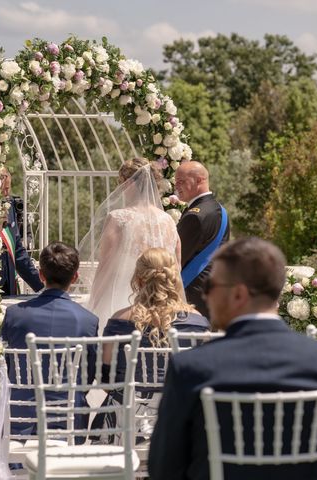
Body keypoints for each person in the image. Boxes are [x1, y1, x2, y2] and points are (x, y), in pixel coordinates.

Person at [148, 237, 317, 480]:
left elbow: (163, 468)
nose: (205, 296)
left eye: (209, 287)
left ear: (238, 294)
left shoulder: (191, 368)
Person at [91, 247, 210, 444]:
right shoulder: (198, 323)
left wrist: (135, 398)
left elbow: (105, 379)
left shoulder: (119, 321)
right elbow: (202, 377)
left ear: (138, 280)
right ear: (174, 279)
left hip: (126, 422)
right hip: (179, 420)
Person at [1, 241, 99, 435]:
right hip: (70, 419)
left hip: (19, 417)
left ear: (41, 275)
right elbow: (88, 376)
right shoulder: (88, 321)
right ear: (75, 277)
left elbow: (5, 366)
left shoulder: (14, 315)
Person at [79, 157, 181, 330]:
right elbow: (176, 266)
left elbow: (105, 266)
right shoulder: (168, 221)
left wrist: (94, 303)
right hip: (163, 303)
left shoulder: (118, 219)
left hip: (122, 301)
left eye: (121, 183)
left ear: (129, 184)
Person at [175, 161, 229, 318]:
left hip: (193, 292)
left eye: (181, 181)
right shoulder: (218, 209)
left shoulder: (195, 216)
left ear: (199, 180)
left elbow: (177, 258)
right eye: (176, 182)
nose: (176, 186)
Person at [0, 169, 44, 296]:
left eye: (8, 188)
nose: (7, 193)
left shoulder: (10, 206)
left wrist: (40, 286)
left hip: (9, 283)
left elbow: (18, 251)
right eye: (4, 189)